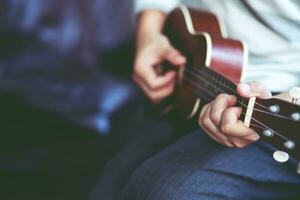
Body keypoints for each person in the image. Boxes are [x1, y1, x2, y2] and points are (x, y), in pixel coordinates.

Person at [122, 0, 300, 199]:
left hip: (278, 99)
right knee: (111, 179)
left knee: (163, 192)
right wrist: (149, 32)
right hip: (182, 45)